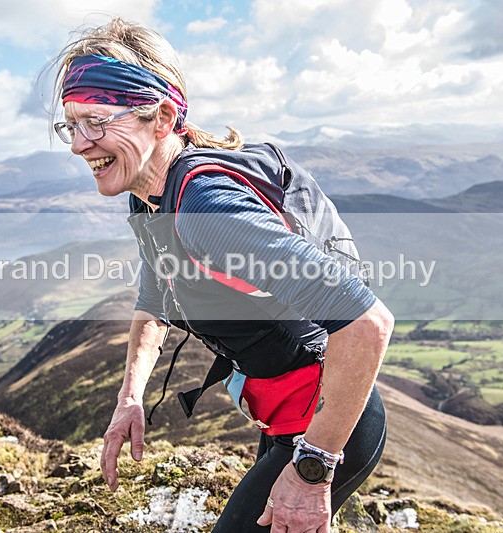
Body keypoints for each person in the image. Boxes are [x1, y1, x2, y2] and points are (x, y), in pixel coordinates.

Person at [50, 18, 394, 533]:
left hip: (329, 427)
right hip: (287, 415)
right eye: (70, 124)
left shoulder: (206, 212)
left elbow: (367, 325)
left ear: (162, 117)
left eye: (96, 121)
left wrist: (312, 470)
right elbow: (155, 291)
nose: (79, 144)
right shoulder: (151, 197)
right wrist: (130, 396)